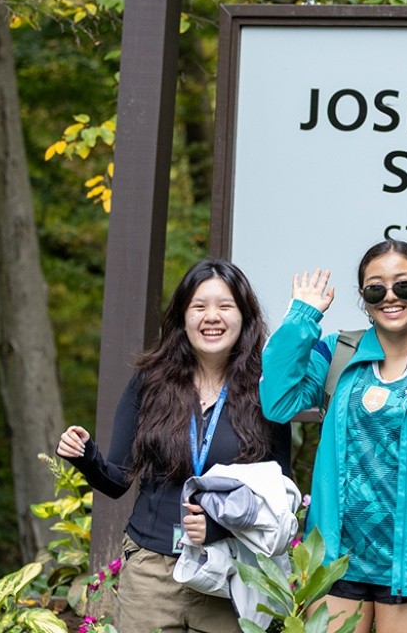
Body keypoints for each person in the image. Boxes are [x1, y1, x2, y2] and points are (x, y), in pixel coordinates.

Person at [259, 239, 407, 633]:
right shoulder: (337, 355)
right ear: (363, 297)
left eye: (404, 286)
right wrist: (301, 318)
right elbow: (277, 402)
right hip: (335, 561)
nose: (390, 297)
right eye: (376, 288)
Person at [57, 259, 292, 633]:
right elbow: (117, 481)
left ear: (244, 317)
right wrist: (86, 457)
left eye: (225, 306)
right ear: (183, 317)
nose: (211, 317)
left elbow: (281, 496)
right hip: (152, 573)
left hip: (230, 572)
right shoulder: (150, 384)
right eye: (199, 306)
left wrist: (218, 525)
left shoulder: (266, 393)